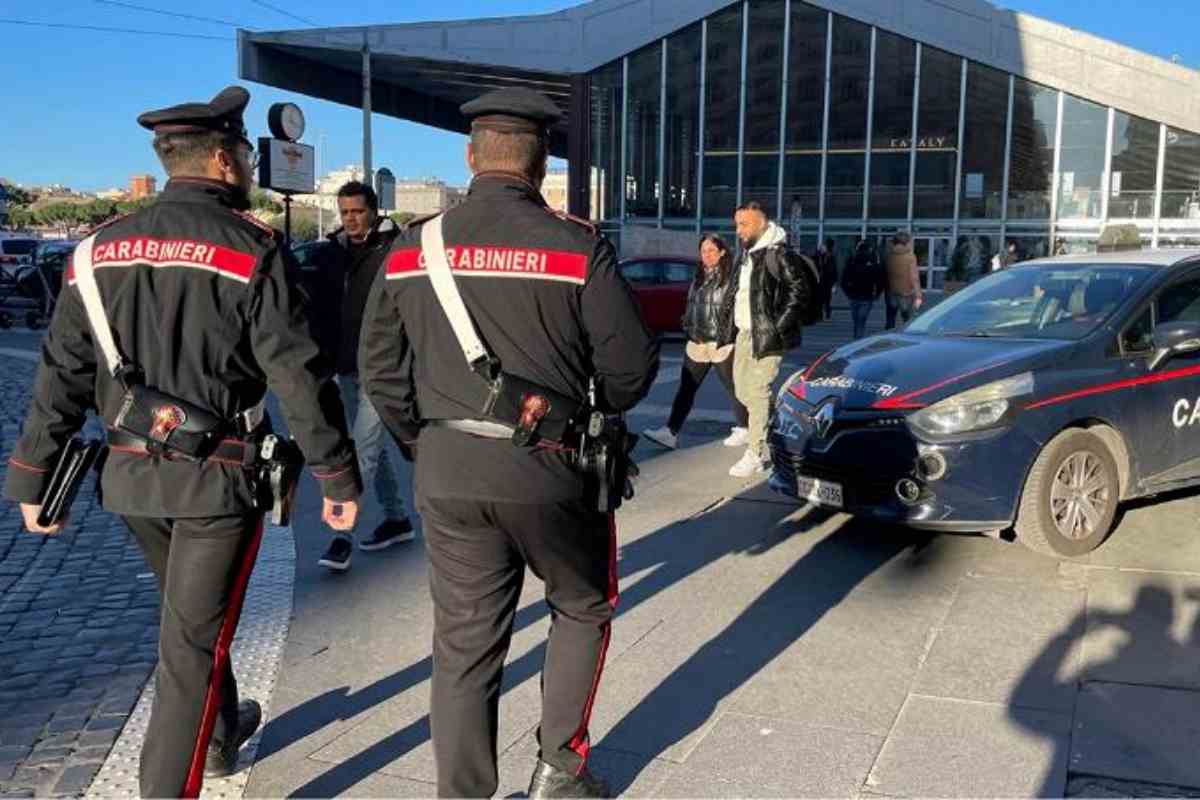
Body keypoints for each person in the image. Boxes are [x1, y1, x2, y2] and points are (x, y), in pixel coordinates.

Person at [2, 86, 362, 798]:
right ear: (226, 161)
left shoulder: (97, 249)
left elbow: (62, 371)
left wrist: (32, 479)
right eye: (246, 156)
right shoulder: (251, 249)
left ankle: (224, 734)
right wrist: (337, 477)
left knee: (193, 617)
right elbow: (297, 372)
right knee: (191, 648)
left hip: (132, 481)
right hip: (216, 484)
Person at [359, 87, 658, 798]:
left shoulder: (411, 247)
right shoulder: (577, 245)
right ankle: (560, 767)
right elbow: (630, 373)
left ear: (470, 156)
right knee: (582, 606)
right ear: (541, 159)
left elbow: (379, 367)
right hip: (554, 469)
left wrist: (423, 441)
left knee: (463, 645)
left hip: (448, 464)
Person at [302, 181, 415, 573]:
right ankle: (397, 518)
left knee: (362, 450)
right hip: (345, 367)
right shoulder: (330, 254)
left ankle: (341, 535)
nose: (350, 219)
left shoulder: (394, 250)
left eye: (358, 211)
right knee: (374, 449)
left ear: (373, 211)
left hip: (383, 369)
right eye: (345, 212)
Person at [727, 201, 816, 478]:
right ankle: (771, 425)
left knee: (756, 391)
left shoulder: (779, 254)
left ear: (762, 223)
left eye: (745, 224)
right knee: (742, 391)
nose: (739, 230)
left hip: (767, 336)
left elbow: (798, 293)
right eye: (737, 224)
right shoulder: (747, 254)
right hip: (744, 334)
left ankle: (755, 452)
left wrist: (776, 328)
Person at [643, 234, 748, 450]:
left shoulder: (732, 276)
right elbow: (692, 305)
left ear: (722, 252)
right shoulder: (699, 275)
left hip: (721, 344)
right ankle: (670, 432)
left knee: (735, 388)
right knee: (686, 388)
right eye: (703, 251)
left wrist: (731, 334)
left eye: (711, 250)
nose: (707, 255)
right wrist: (687, 324)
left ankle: (746, 429)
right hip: (697, 343)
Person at [841, 238, 885, 339]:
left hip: (854, 296)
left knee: (856, 321)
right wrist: (877, 294)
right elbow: (879, 280)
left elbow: (843, 281)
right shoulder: (872, 264)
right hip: (867, 296)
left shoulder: (851, 262)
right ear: (868, 250)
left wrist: (848, 293)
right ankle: (857, 339)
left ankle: (856, 338)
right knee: (861, 321)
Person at [884, 231, 924, 329]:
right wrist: (918, 295)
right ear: (907, 242)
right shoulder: (910, 256)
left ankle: (889, 337)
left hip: (891, 291)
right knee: (907, 319)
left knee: (890, 317)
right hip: (905, 292)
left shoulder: (888, 255)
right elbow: (914, 277)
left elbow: (884, 273)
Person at [816, 238, 838, 321]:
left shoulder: (824, 256)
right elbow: (834, 270)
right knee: (826, 299)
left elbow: (833, 270)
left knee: (823, 299)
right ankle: (825, 315)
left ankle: (823, 315)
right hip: (826, 281)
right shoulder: (828, 256)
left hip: (823, 280)